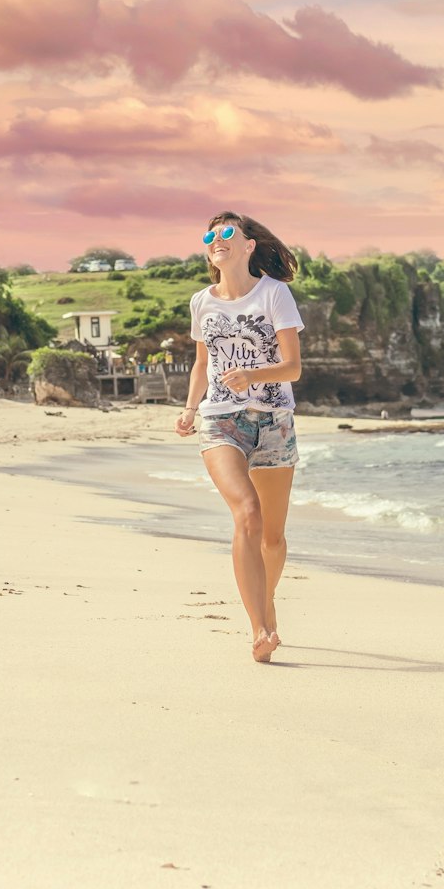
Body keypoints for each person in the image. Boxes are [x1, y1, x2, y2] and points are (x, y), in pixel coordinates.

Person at [174, 211, 304, 664]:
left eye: (227, 231)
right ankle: (260, 628)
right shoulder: (201, 302)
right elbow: (200, 363)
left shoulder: (275, 293)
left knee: (272, 537)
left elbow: (293, 368)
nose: (216, 238)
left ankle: (265, 604)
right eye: (210, 233)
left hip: (274, 421)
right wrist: (191, 408)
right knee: (246, 512)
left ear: (249, 245)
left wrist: (252, 373)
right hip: (220, 419)